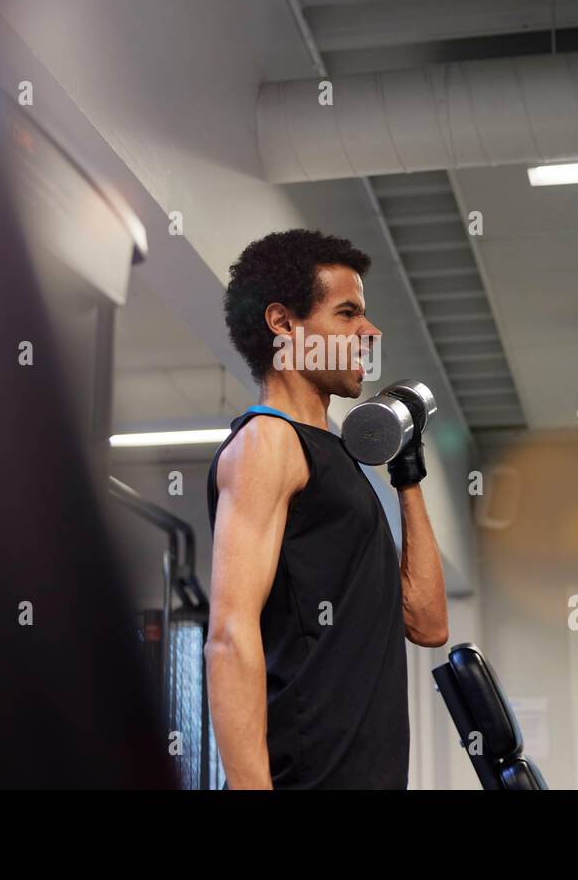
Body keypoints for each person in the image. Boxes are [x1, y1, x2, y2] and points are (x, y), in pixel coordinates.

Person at [205, 229, 448, 789]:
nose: (371, 333)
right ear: (283, 324)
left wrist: (406, 475)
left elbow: (428, 623)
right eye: (347, 314)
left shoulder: (336, 459)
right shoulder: (267, 445)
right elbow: (229, 634)